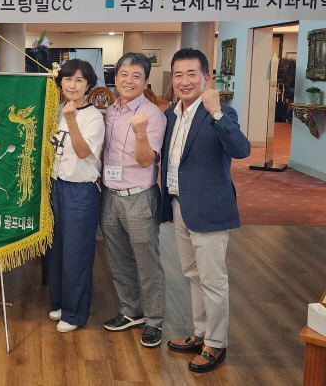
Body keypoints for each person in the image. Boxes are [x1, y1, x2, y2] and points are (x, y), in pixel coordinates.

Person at [161, 48, 250, 373]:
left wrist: (216, 113)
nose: (184, 81)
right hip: (180, 205)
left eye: (191, 74)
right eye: (178, 74)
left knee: (212, 279)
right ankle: (200, 333)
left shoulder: (221, 112)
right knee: (193, 275)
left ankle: (216, 342)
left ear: (206, 77)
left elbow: (241, 149)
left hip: (209, 208)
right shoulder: (171, 114)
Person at [100, 52, 167, 348]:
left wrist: (141, 133)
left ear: (146, 81)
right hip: (110, 194)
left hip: (139, 196)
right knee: (118, 258)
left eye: (136, 76)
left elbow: (144, 161)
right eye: (124, 74)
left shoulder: (153, 115)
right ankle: (130, 311)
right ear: (115, 77)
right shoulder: (112, 110)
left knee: (146, 261)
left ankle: (154, 321)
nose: (129, 80)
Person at [46, 59, 105, 333]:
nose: (72, 84)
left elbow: (83, 152)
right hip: (56, 186)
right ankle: (60, 303)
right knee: (56, 249)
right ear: (60, 83)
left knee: (77, 252)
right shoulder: (56, 110)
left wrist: (71, 121)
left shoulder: (93, 116)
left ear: (88, 85)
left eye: (79, 80)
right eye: (68, 79)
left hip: (80, 190)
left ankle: (75, 312)